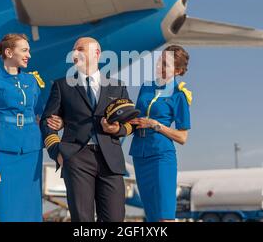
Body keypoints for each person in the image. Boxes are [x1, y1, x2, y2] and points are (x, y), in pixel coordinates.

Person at [40, 37, 134, 222]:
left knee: (115, 218)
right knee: (82, 220)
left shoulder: (117, 86)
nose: (75, 53)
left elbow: (130, 124)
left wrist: (117, 129)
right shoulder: (62, 85)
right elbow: (46, 122)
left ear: (97, 53)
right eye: (74, 50)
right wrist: (56, 152)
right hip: (76, 157)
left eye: (80, 49)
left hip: (110, 160)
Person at [0, 33, 45, 222]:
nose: (29, 55)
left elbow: (41, 115)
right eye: (24, 50)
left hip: (32, 151)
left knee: (31, 212)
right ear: (8, 52)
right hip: (3, 152)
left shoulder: (32, 81)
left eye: (28, 50)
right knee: (5, 212)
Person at [129, 45, 192, 222]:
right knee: (151, 216)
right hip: (140, 155)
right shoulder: (146, 87)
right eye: (159, 61)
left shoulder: (180, 95)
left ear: (178, 70)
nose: (159, 66)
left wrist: (155, 125)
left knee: (165, 216)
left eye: (165, 64)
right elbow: (136, 117)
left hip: (161, 157)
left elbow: (182, 137)